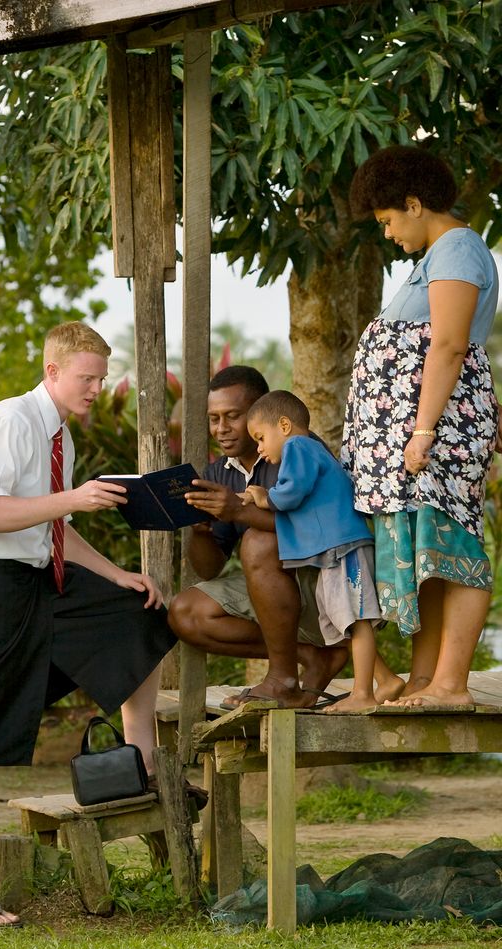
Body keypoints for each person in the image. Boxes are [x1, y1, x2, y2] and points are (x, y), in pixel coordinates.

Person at [0, 321, 177, 928]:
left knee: (140, 613)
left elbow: (53, 527)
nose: (97, 388)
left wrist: (116, 572)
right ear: (52, 372)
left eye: (102, 378)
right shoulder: (9, 421)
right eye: (87, 377)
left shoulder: (60, 437)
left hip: (43, 579)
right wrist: (73, 500)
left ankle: (138, 762)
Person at [342, 144, 499, 708]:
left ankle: (452, 683)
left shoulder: (457, 248)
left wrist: (424, 430)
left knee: (454, 545)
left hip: (442, 430)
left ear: (414, 204)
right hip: (424, 430)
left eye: (387, 221)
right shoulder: (439, 254)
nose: (387, 234)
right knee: (432, 552)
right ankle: (429, 678)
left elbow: (451, 344)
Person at [168, 366, 348, 710]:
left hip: (329, 586)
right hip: (274, 597)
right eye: (214, 418)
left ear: (261, 413)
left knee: (259, 541)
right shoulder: (219, 472)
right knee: (186, 613)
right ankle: (314, 658)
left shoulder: (298, 451)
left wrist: (237, 511)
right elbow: (209, 569)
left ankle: (282, 680)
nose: (221, 429)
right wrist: (199, 530)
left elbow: (318, 529)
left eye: (233, 417)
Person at [242, 390, 403, 712]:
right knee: (342, 621)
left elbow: (292, 492)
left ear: (284, 426)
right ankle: (386, 680)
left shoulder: (299, 447)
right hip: (334, 553)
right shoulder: (308, 450)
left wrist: (266, 497)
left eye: (260, 438)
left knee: (357, 621)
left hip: (344, 549)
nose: (259, 449)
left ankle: (363, 694)